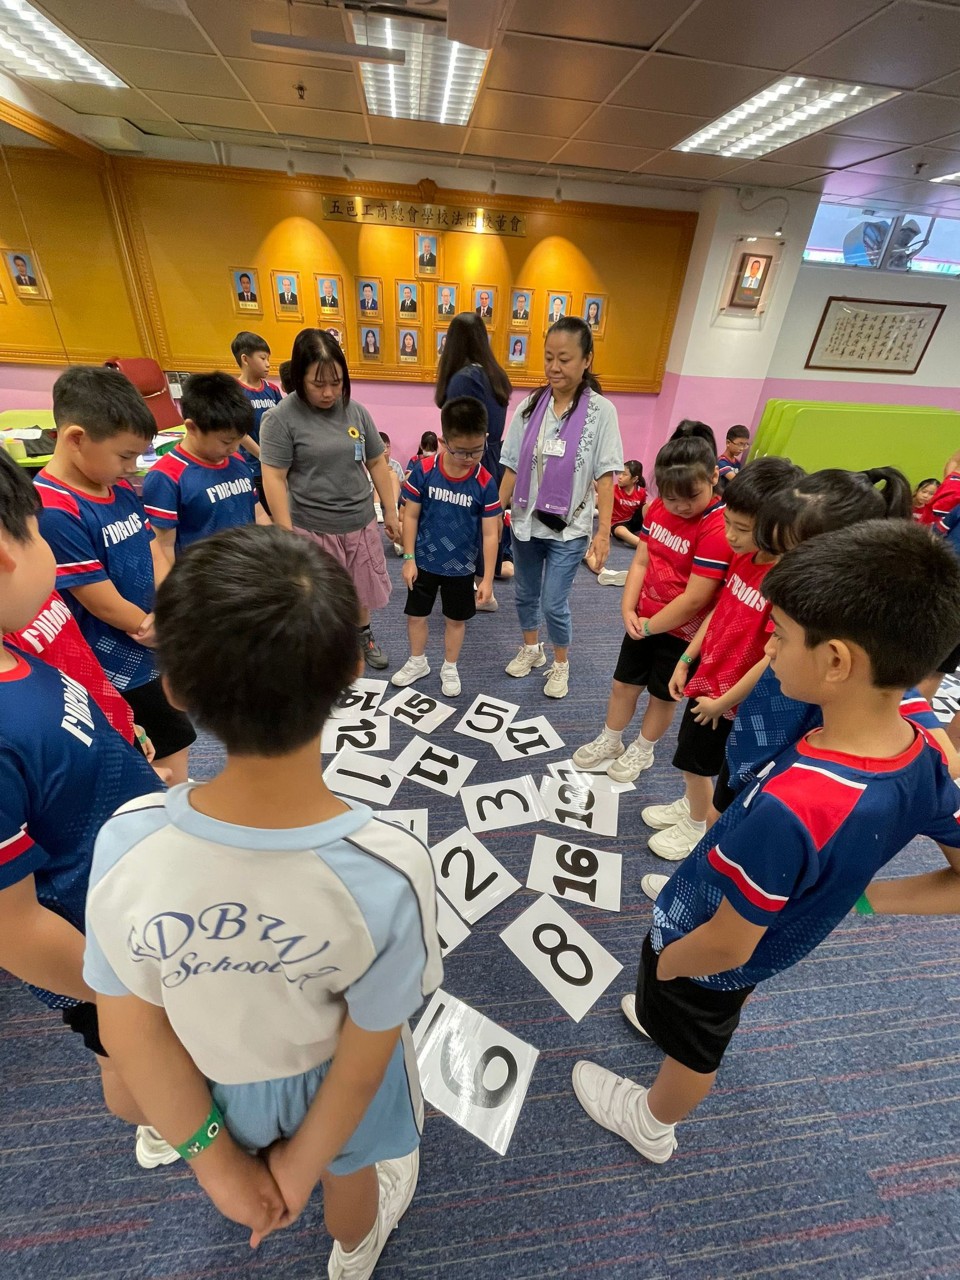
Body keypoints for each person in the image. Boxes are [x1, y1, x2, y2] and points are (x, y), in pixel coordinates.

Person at [82, 525, 442, 1268]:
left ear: (174, 687)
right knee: (352, 1175)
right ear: (350, 670)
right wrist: (300, 1168)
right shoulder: (390, 869)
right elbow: (365, 1056)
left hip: (213, 1078)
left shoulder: (124, 842)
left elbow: (132, 1030)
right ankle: (354, 1251)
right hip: (333, 1089)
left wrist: (218, 1167)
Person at [572, 519, 960, 1167]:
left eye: (777, 634)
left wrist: (670, 965)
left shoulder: (795, 805)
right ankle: (665, 1014)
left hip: (704, 949)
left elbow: (727, 944)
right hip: (772, 941)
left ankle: (652, 1122)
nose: (768, 646)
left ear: (836, 661)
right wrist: (863, 898)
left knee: (697, 1044)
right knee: (710, 1012)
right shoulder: (921, 753)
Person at [0, 450, 166, 1164]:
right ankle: (158, 1123)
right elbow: (12, 931)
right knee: (130, 1056)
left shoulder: (16, 649)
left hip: (134, 901)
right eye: (39, 533)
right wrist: (121, 990)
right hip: (99, 950)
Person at [717, 467, 916, 811]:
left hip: (791, 755)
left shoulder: (866, 642)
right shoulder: (798, 608)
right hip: (758, 728)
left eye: (789, 556)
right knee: (724, 804)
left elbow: (915, 721)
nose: (779, 568)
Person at [35, 366, 196, 783]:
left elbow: (151, 548)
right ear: (76, 439)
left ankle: (176, 802)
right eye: (125, 456)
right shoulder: (55, 508)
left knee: (175, 740)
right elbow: (96, 597)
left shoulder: (118, 486)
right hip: (109, 663)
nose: (133, 467)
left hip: (149, 642)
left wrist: (169, 604)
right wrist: (146, 624)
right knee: (136, 755)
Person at [641, 457, 805, 861]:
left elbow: (771, 657)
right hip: (710, 676)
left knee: (698, 763)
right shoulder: (744, 557)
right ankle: (692, 806)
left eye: (742, 529)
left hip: (732, 698)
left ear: (775, 526)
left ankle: (698, 824)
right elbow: (719, 610)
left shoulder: (785, 583)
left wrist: (724, 702)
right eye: (728, 522)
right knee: (690, 755)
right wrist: (687, 657)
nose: (730, 535)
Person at [572, 429, 729, 777]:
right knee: (623, 683)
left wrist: (650, 626)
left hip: (682, 633)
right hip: (644, 619)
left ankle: (643, 749)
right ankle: (611, 739)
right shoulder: (658, 508)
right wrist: (628, 607)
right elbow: (642, 560)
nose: (680, 506)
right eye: (671, 498)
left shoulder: (717, 527)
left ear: (713, 477)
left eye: (691, 496)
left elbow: (696, 598)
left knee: (662, 695)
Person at [260, 328, 399, 671]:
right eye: (318, 383)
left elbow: (376, 462)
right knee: (319, 598)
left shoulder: (356, 411)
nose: (329, 392)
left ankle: (363, 636)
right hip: (313, 527)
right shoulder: (280, 418)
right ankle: (327, 652)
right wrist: (285, 532)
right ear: (299, 377)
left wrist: (391, 512)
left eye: (336, 383)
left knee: (361, 590)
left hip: (360, 521)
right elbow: (274, 477)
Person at [499, 316, 623, 700]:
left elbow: (606, 476)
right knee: (524, 593)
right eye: (549, 357)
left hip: (569, 528)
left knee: (553, 601)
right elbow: (511, 465)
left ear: (586, 360)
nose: (554, 367)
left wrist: (604, 534)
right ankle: (531, 649)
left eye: (564, 359)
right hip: (525, 521)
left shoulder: (601, 412)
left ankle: (560, 662)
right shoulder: (530, 406)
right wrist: (492, 512)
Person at [392, 398, 501, 697]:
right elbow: (410, 516)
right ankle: (418, 661)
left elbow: (490, 533)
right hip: (424, 561)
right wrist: (409, 558)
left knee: (456, 620)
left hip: (461, 567)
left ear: (485, 439)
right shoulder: (425, 470)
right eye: (460, 451)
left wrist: (487, 579)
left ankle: (450, 666)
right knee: (416, 615)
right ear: (443, 442)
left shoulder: (484, 481)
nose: (469, 458)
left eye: (477, 450)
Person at [436, 312, 514, 602]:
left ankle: (480, 590)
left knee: (466, 524)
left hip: (470, 458)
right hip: (493, 455)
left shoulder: (464, 378)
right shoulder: (495, 374)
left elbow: (460, 431)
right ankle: (485, 585)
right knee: (487, 522)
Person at [142, 373, 256, 562]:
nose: (235, 448)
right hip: (201, 575)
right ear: (192, 427)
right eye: (226, 441)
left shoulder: (236, 460)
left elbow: (257, 511)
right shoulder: (166, 477)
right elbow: (163, 547)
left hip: (247, 567)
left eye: (239, 439)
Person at [230, 331, 283, 515]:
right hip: (252, 467)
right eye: (262, 358)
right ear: (245, 359)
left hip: (275, 463)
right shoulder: (235, 392)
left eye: (268, 358)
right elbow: (239, 432)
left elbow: (283, 424)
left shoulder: (272, 390)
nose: (268, 364)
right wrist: (263, 455)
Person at [587, 460, 646, 576]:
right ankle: (648, 547)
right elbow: (599, 491)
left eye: (624, 474)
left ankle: (658, 534)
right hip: (617, 524)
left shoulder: (641, 492)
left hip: (632, 521)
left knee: (649, 506)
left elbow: (642, 510)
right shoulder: (613, 490)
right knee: (620, 531)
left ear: (634, 479)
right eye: (619, 473)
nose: (620, 477)